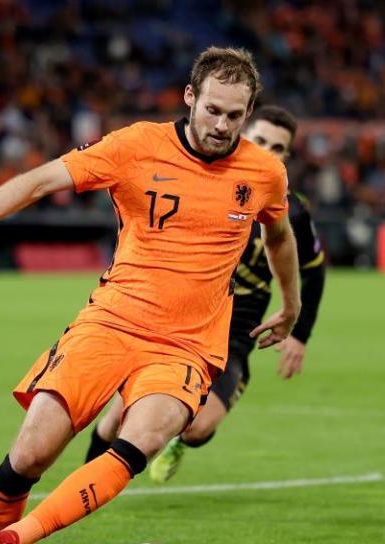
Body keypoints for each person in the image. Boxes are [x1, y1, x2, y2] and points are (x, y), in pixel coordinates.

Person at [0, 47, 301, 544]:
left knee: (139, 441)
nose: (222, 126)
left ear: (248, 113)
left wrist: (290, 306)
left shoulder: (264, 172)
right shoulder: (135, 146)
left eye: (235, 116)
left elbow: (280, 237)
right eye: (214, 110)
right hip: (112, 322)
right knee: (30, 454)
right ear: (190, 97)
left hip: (190, 346)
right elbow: (34, 183)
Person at [86, 105, 326, 482]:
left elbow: (315, 270)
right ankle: (86, 490)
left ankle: (178, 442)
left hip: (236, 332)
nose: (267, 151)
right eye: (260, 140)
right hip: (178, 319)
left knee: (198, 427)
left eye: (278, 148)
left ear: (286, 157)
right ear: (243, 135)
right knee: (119, 415)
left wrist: (301, 333)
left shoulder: (290, 212)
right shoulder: (205, 185)